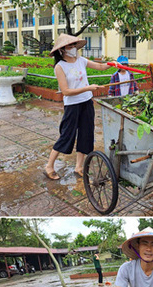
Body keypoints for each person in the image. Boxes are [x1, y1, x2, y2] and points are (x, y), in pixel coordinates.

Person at [44, 34, 109, 181]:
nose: (73, 48)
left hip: (87, 102)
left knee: (86, 134)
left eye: (74, 45)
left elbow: (99, 66)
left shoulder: (81, 60)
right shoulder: (60, 67)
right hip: (72, 106)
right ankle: (49, 166)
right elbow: (65, 91)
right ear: (62, 50)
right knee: (67, 135)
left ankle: (79, 167)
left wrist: (112, 64)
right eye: (70, 46)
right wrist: (88, 88)